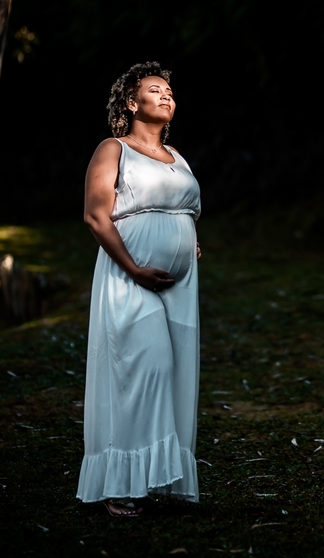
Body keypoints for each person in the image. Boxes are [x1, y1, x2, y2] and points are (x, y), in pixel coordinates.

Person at [75, 62, 202, 517]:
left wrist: (187, 242)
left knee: (175, 377)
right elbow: (96, 215)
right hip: (131, 278)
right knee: (144, 371)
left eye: (170, 90)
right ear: (132, 103)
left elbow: (180, 209)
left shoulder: (178, 157)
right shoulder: (114, 149)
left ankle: (157, 480)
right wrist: (134, 268)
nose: (167, 96)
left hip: (179, 284)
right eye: (155, 90)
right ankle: (120, 484)